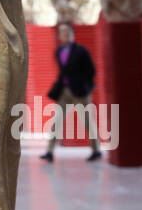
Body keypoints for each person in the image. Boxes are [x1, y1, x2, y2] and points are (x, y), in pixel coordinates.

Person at [41, 21, 101, 162]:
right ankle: (49, 151)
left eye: (67, 31)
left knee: (87, 121)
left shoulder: (81, 51)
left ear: (72, 33)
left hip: (80, 93)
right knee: (57, 121)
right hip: (65, 92)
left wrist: (85, 85)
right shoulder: (59, 51)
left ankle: (96, 150)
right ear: (59, 35)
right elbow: (63, 72)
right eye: (62, 32)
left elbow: (91, 70)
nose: (65, 34)